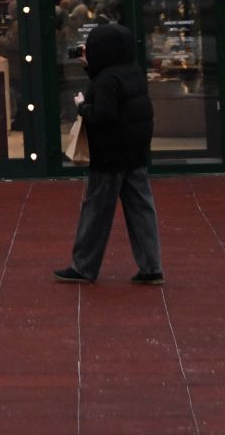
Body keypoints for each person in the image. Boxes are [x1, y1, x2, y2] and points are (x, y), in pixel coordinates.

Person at [54, 22, 162, 286]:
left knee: (96, 212)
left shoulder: (106, 80)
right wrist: (90, 67)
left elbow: (103, 114)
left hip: (109, 154)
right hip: (134, 151)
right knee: (141, 209)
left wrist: (82, 107)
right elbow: (115, 92)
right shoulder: (132, 71)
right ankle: (151, 267)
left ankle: (83, 266)